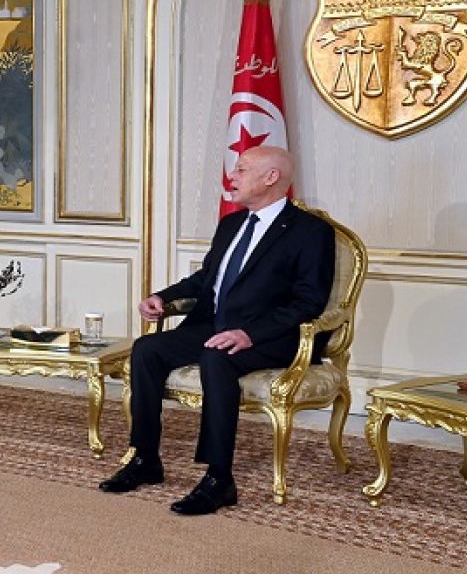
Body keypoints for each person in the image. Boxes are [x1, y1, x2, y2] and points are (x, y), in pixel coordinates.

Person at [98, 146, 334, 515]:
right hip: (214, 324)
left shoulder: (311, 232)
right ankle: (145, 459)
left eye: (241, 169)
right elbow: (206, 279)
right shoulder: (231, 225)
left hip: (270, 336)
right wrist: (163, 297)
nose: (231, 177)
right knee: (147, 349)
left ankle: (219, 478)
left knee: (216, 356)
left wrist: (249, 334)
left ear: (271, 177)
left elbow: (309, 302)